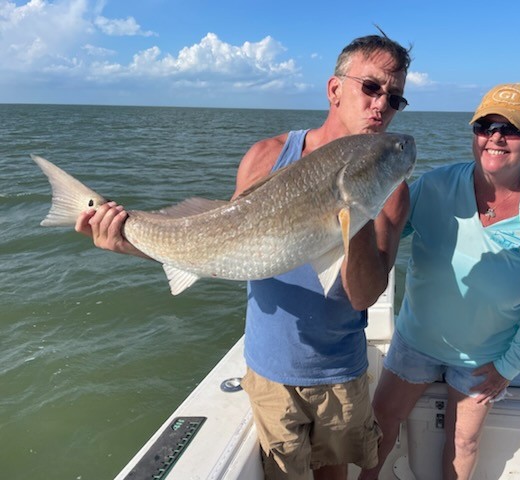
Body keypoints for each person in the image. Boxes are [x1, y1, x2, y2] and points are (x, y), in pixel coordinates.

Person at [75, 32, 412, 480]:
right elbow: (217, 245)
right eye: (371, 87)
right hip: (271, 371)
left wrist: (360, 208)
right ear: (335, 89)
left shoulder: (392, 191)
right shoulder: (267, 155)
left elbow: (364, 296)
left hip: (342, 372)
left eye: (395, 99)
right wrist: (127, 240)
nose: (381, 106)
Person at [359, 83, 520, 480]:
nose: (495, 136)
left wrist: (509, 366)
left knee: (465, 441)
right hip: (417, 340)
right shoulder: (434, 186)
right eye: (485, 125)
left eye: (511, 128)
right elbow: (383, 236)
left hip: (484, 356)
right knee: (381, 419)